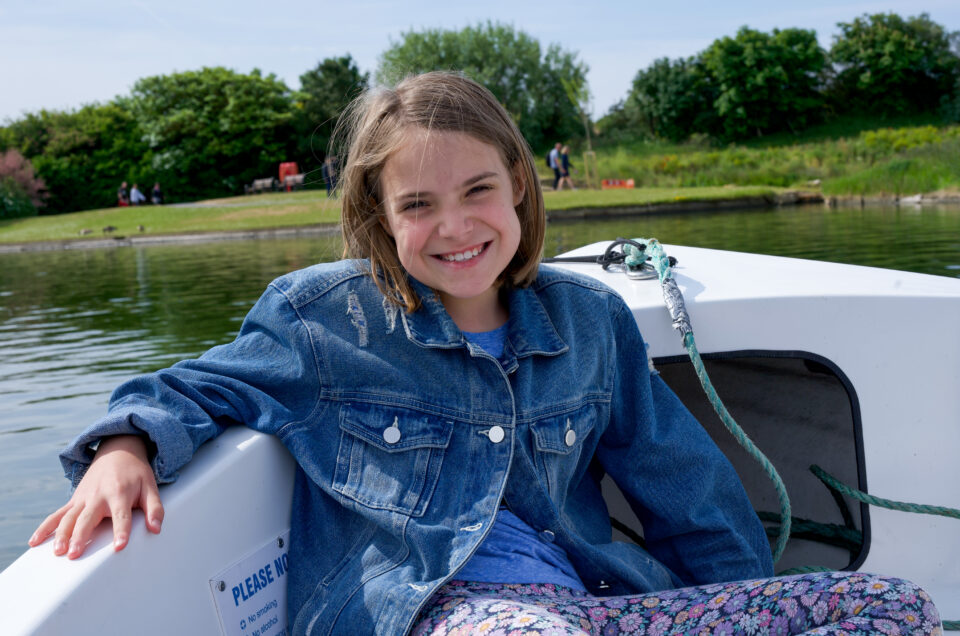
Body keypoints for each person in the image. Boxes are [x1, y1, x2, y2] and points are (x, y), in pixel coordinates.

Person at [29, 72, 940, 636]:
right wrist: (124, 448)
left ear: (519, 189)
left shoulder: (589, 324)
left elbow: (688, 493)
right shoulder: (321, 320)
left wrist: (743, 616)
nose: (456, 227)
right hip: (444, 616)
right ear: (378, 219)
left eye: (479, 191)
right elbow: (192, 386)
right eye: (419, 204)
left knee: (890, 608)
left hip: (600, 605)